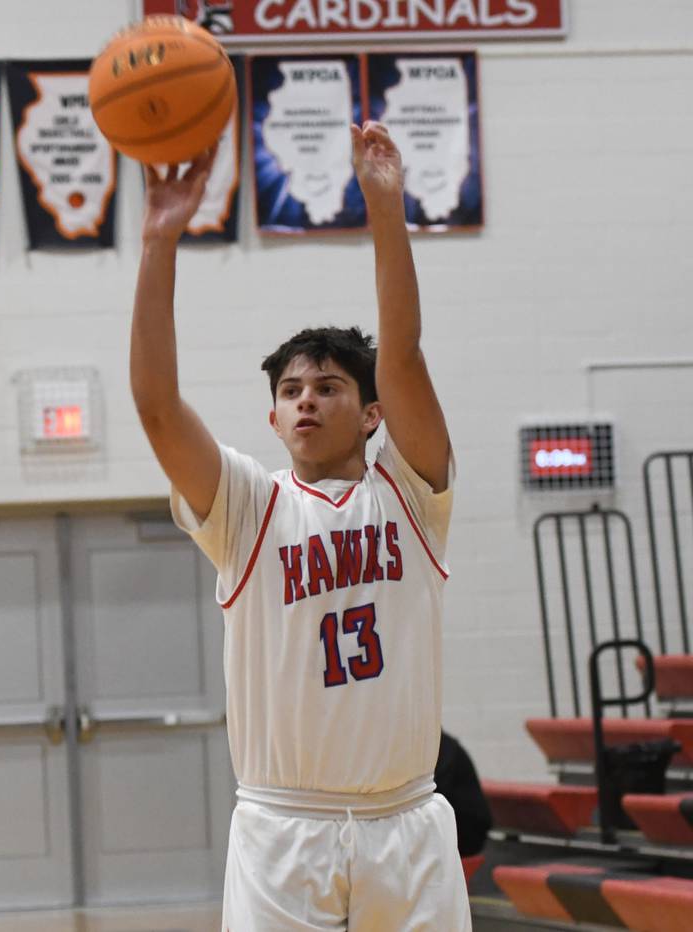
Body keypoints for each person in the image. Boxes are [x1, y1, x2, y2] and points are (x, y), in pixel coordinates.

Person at [130, 121, 471, 931]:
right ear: (274, 418)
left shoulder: (411, 493)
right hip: (284, 827)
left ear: (372, 413)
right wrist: (159, 242)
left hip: (406, 820)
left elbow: (404, 355)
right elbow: (156, 406)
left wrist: (384, 208)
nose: (306, 400)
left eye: (327, 387)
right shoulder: (248, 506)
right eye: (291, 392)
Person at [436, 730, 493, 858]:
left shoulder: (442, 747)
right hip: (452, 826)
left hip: (468, 833)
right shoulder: (436, 744)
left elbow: (435, 792)